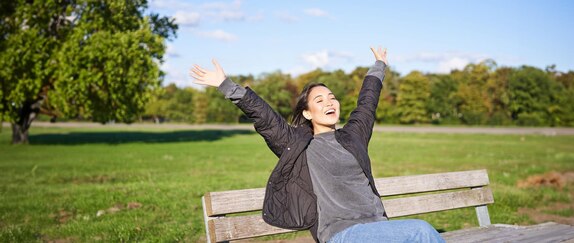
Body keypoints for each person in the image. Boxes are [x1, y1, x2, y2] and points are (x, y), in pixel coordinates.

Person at [190, 47, 445, 243]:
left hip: (379, 227)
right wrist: (226, 85)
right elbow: (264, 118)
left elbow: (367, 104)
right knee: (420, 232)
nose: (329, 103)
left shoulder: (352, 137)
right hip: (341, 234)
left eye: (332, 98)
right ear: (308, 113)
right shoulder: (299, 144)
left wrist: (379, 65)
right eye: (320, 100)